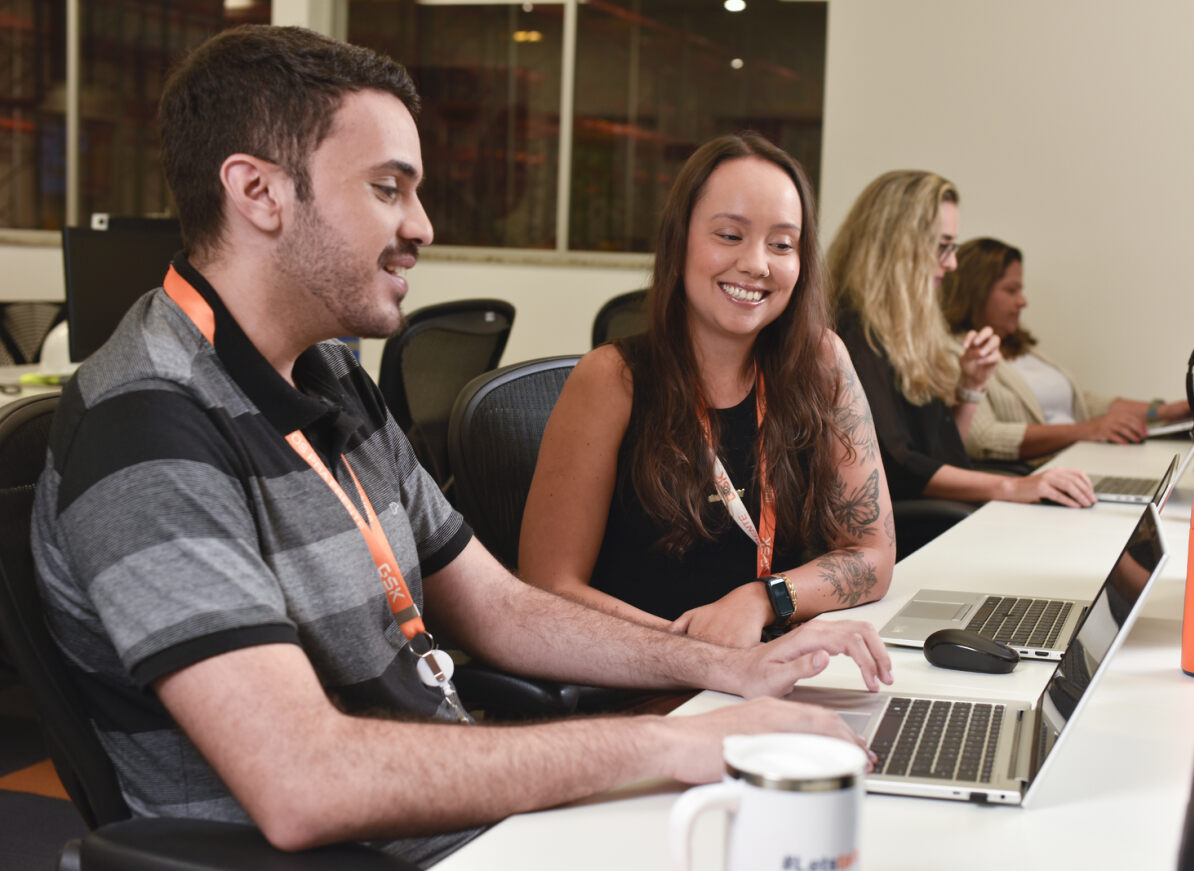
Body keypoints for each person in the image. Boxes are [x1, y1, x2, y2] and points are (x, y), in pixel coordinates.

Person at [29, 27, 893, 866]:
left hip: (464, 817)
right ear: (259, 192)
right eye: (388, 188)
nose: (424, 224)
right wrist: (682, 744)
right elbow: (305, 782)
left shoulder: (325, 374)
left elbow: (499, 607)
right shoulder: (147, 427)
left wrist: (729, 669)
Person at [518, 133, 895, 649]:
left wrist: (762, 600)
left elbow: (872, 556)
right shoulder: (612, 379)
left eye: (782, 244)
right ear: (679, 243)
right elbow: (548, 586)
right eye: (729, 234)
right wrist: (699, 650)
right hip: (643, 680)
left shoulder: (822, 363)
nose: (757, 263)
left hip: (769, 665)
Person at [826, 170, 1095, 508]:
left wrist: (972, 385)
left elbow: (944, 455)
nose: (952, 263)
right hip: (905, 530)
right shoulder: (853, 330)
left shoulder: (903, 332)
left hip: (929, 512)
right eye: (942, 247)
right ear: (898, 248)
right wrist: (1014, 487)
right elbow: (896, 465)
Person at [940, 237, 1193, 462]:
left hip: (1084, 458)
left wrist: (1163, 411)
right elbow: (982, 438)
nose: (1023, 301)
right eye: (1011, 290)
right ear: (975, 293)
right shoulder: (956, 354)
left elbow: (1081, 403)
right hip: (1043, 472)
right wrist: (1088, 430)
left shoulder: (1024, 349)